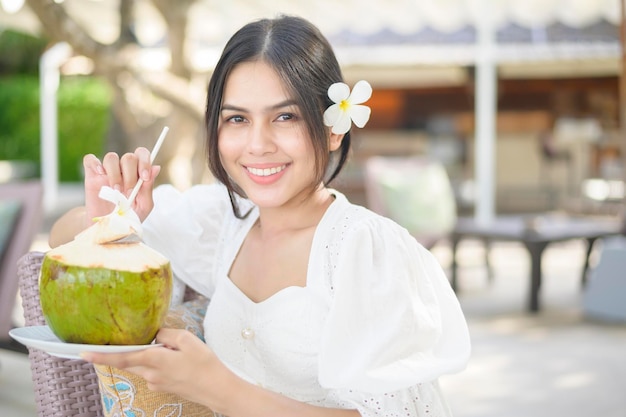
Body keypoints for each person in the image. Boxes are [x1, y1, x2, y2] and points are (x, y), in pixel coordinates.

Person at [50, 15, 470, 417]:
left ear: (333, 128)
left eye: (284, 117)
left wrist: (220, 389)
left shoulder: (366, 250)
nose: (257, 144)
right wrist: (109, 219)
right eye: (237, 119)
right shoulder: (223, 222)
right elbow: (60, 237)